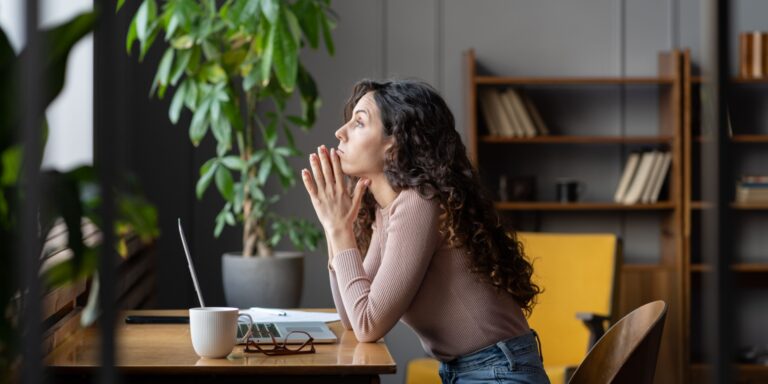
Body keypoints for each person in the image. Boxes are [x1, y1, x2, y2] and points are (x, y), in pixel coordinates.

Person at [301, 79, 549, 384]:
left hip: (498, 373)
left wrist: (340, 231)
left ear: (394, 143)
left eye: (360, 122)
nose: (341, 131)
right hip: (475, 371)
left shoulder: (419, 202)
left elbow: (368, 324)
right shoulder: (388, 211)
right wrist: (333, 226)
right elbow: (353, 319)